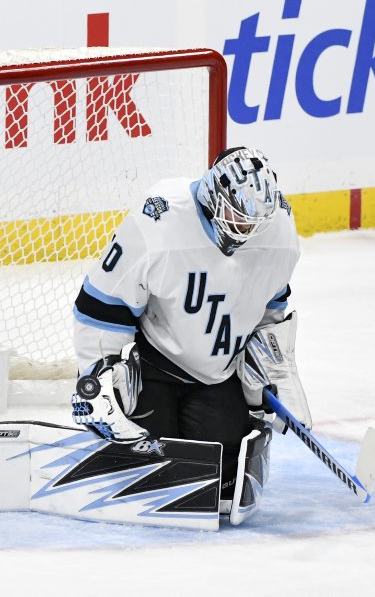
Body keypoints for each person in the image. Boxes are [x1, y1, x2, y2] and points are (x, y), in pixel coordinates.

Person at [70, 146, 310, 522]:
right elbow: (100, 306)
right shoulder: (160, 220)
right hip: (155, 363)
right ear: (214, 196)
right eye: (237, 216)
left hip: (220, 372)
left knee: (221, 482)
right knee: (149, 467)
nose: (245, 229)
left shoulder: (278, 234)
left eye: (254, 222)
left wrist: (272, 376)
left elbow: (270, 313)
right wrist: (97, 377)